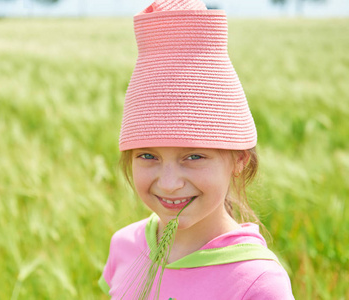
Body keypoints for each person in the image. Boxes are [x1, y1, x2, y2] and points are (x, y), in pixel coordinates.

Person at [98, 0, 295, 299]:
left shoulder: (258, 282)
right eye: (148, 155)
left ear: (239, 158)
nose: (169, 183)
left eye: (194, 157)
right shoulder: (125, 245)